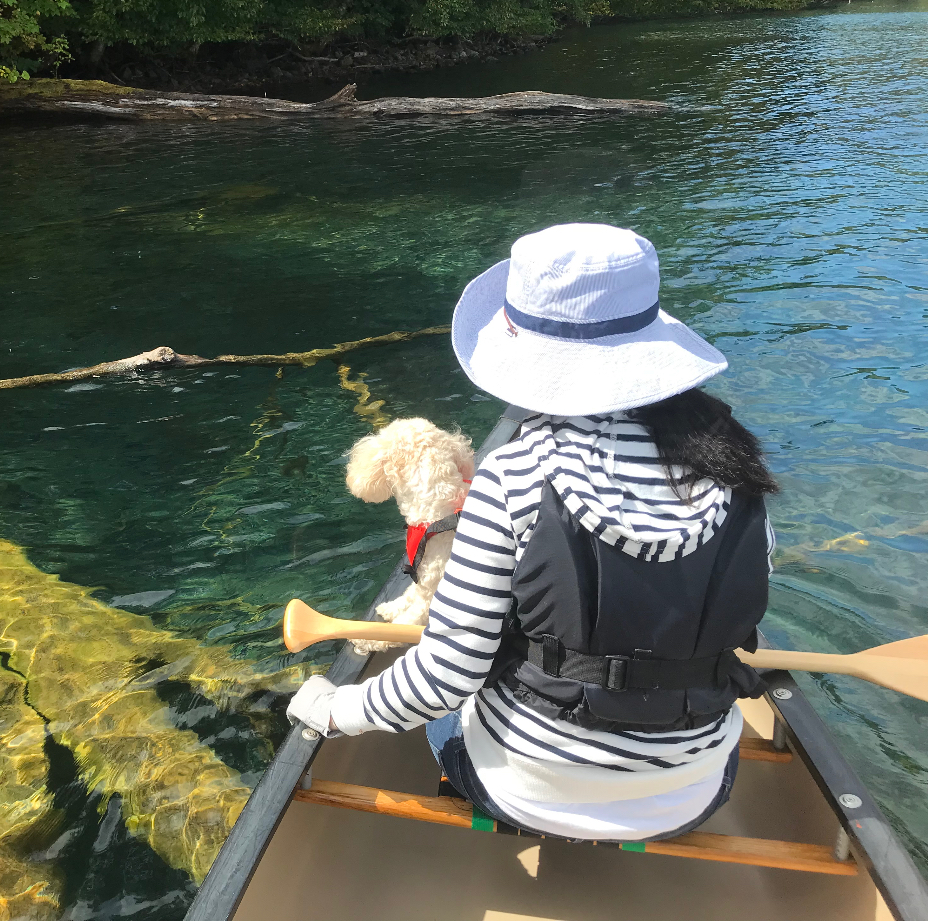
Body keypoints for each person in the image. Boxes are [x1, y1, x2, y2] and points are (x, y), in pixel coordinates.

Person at [287, 222, 779, 842]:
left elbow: (443, 678)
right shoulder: (741, 473)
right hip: (694, 795)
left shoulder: (513, 475)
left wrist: (335, 710)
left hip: (526, 792)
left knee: (456, 706)